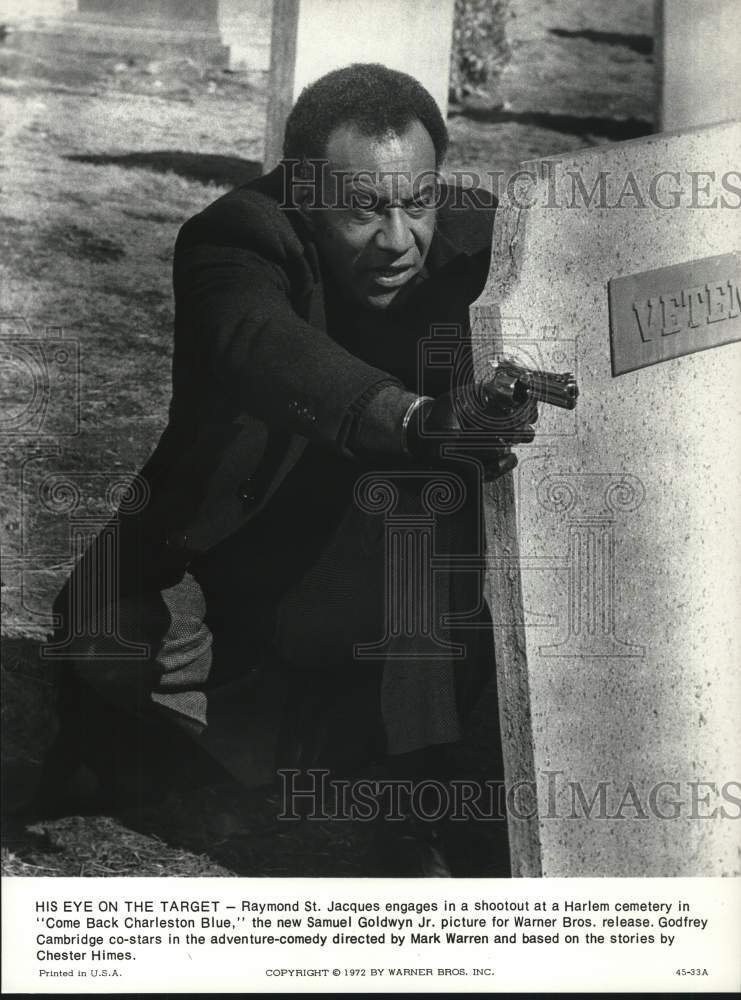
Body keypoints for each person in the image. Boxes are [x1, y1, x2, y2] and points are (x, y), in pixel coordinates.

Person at [40, 64, 537, 876]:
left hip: (386, 570)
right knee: (114, 647)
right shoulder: (235, 238)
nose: (397, 241)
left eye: (417, 202)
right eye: (362, 212)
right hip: (230, 553)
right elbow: (263, 349)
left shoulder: (482, 241)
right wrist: (414, 419)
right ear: (303, 192)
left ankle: (399, 788)